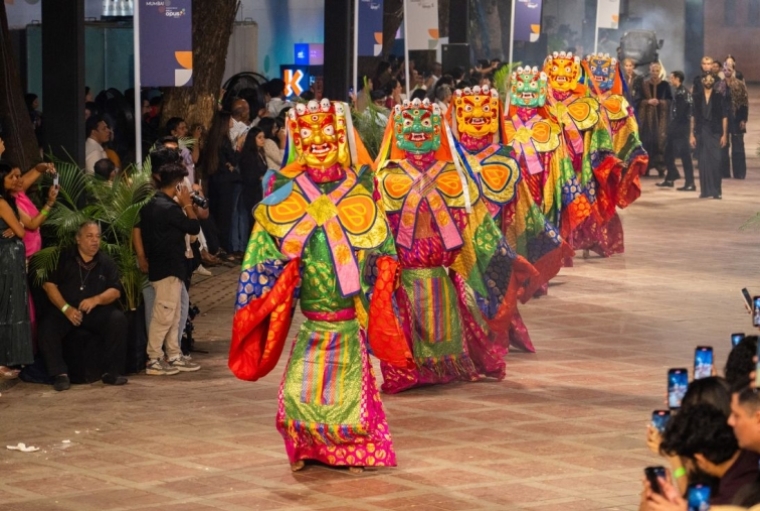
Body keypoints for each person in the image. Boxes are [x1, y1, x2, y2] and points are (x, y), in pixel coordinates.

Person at [230, 98, 408, 472]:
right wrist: (278, 274)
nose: (317, 141)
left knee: (348, 391)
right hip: (311, 320)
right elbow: (264, 251)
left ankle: (351, 449)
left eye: (326, 131)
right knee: (300, 389)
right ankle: (306, 448)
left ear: (341, 137)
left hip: (346, 319)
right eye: (307, 135)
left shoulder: (359, 191)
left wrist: (381, 268)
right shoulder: (288, 195)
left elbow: (381, 244)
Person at [374, 98, 540, 393]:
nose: (416, 131)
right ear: (396, 130)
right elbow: (377, 226)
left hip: (439, 270)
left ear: (438, 131)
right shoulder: (386, 176)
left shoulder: (453, 175)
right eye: (408, 124)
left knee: (443, 315)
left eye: (426, 125)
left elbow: (474, 222)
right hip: (406, 271)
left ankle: (444, 366)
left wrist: (505, 256)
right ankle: (411, 368)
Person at [38, 222, 129, 391]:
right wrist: (66, 309)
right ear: (78, 239)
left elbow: (115, 291)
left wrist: (96, 299)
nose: (95, 241)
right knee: (47, 325)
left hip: (94, 310)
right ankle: (60, 374)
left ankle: (111, 372)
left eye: (97, 236)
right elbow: (49, 286)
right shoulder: (64, 258)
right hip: (66, 310)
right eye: (89, 236)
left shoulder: (106, 262)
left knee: (117, 319)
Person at [139, 162, 201, 375]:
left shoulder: (151, 203)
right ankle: (154, 358)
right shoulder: (169, 209)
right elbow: (194, 227)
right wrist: (187, 205)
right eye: (182, 185)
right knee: (164, 315)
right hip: (167, 268)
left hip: (167, 266)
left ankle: (173, 354)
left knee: (173, 315)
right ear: (176, 186)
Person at [0, 162, 33, 380]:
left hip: (13, 260)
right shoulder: (2, 202)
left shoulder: (9, 201)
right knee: (7, 308)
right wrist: (16, 227)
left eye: (17, 176)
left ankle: (10, 358)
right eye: (11, 176)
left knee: (14, 308)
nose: (16, 180)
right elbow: (22, 230)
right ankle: (3, 360)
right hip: (6, 260)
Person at [201, 111, 240, 258]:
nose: (232, 121)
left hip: (215, 182)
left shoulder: (213, 140)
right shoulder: (224, 140)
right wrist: (238, 147)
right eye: (230, 119)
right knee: (225, 217)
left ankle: (217, 247)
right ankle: (224, 249)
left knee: (217, 214)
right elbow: (233, 160)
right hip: (225, 183)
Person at [691, 73, 728, 199]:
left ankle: (717, 191)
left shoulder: (719, 96)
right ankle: (705, 191)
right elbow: (693, 117)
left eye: (711, 79)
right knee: (703, 162)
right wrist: (691, 134)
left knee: (716, 161)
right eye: (706, 79)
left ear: (714, 81)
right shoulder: (696, 97)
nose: (708, 81)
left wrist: (724, 135)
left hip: (715, 132)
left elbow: (724, 116)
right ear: (702, 81)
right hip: (701, 132)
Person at [658, 71, 695, 190]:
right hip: (676, 128)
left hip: (681, 130)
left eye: (671, 77)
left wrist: (670, 129)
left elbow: (680, 115)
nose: (669, 79)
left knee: (685, 156)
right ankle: (670, 177)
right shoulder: (679, 92)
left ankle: (690, 183)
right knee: (668, 153)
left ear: (677, 79)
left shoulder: (683, 94)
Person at [638, 61, 672, 177]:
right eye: (653, 71)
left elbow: (670, 100)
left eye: (657, 71)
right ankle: (646, 167)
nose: (655, 73)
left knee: (660, 142)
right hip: (647, 119)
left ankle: (660, 167)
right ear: (649, 71)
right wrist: (647, 101)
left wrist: (660, 102)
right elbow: (638, 100)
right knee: (647, 142)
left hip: (661, 119)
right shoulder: (644, 85)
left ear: (660, 71)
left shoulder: (665, 85)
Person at [721, 62, 748, 180]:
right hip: (722, 119)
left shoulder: (740, 85)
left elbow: (744, 103)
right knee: (723, 145)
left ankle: (739, 173)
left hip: (736, 118)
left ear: (733, 70)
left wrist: (744, 119)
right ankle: (724, 172)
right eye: (725, 70)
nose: (727, 72)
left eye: (729, 70)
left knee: (738, 146)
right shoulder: (718, 85)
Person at [237, 127, 267, 220]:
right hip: (252, 193)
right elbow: (248, 175)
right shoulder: (248, 156)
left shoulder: (260, 153)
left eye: (263, 137)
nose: (263, 139)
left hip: (261, 191)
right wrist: (260, 177)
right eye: (259, 137)